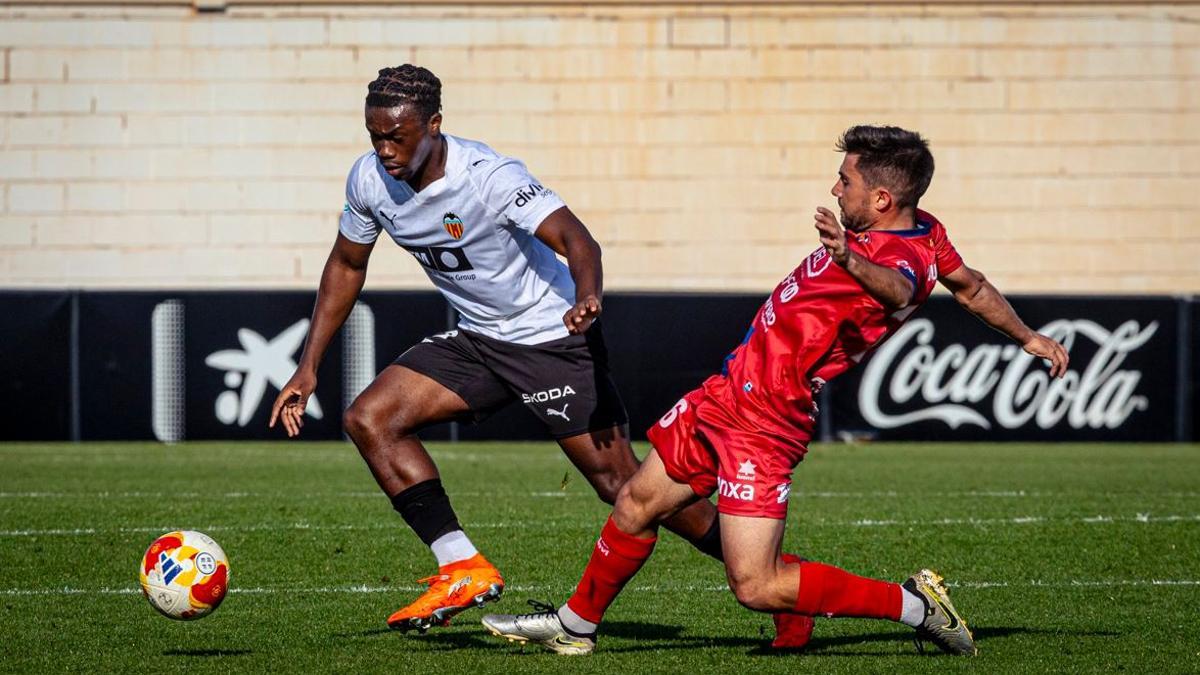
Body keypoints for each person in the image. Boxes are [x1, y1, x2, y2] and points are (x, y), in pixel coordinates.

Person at [480, 125, 1070, 656]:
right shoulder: (928, 230)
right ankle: (576, 625)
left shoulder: (900, 254)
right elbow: (970, 287)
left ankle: (916, 605)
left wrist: (848, 258)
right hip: (729, 393)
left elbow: (896, 288)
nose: (837, 190)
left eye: (846, 182)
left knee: (757, 587)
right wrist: (1027, 336)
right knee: (635, 503)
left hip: (767, 421)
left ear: (881, 199)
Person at [266, 64, 807, 639]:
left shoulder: (489, 177)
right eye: (374, 136)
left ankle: (782, 584)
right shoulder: (369, 179)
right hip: (480, 339)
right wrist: (309, 365)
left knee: (627, 490)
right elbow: (348, 264)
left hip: (553, 337)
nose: (384, 150)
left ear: (434, 125)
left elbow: (578, 238)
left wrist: (589, 295)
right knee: (370, 418)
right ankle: (461, 566)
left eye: (397, 137)